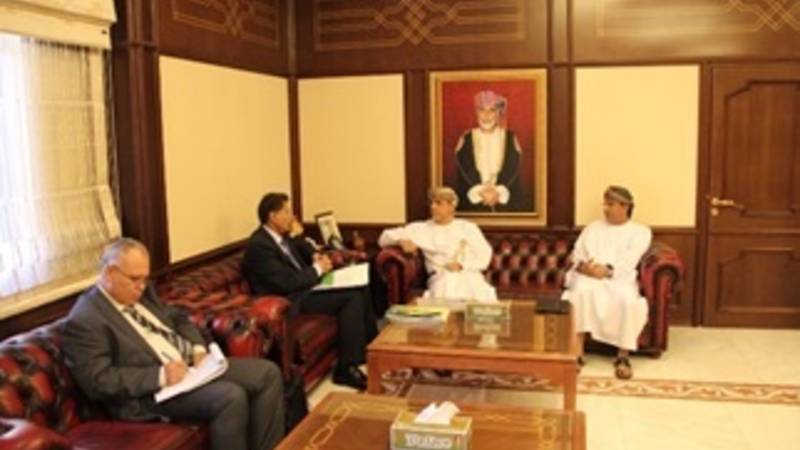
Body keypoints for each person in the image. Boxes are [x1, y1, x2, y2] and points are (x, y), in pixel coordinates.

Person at [62, 238, 285, 450]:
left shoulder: (141, 293)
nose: (141, 287)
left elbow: (177, 317)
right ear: (110, 273)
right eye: (135, 279)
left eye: (145, 279)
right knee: (230, 396)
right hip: (152, 393)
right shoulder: (86, 319)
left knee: (267, 373)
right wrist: (160, 375)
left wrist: (197, 348)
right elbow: (98, 381)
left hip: (190, 367)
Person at [241, 193, 377, 390]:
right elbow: (286, 283)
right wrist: (318, 269)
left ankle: (372, 350)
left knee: (360, 286)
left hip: (306, 289)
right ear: (273, 216)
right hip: (289, 302)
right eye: (287, 211)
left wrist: (314, 256)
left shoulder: (283, 238)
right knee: (351, 297)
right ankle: (345, 368)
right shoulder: (260, 246)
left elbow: (305, 250)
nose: (292, 216)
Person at [561, 186, 652, 379]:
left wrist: (607, 271)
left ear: (625, 206)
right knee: (579, 293)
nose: (606, 209)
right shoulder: (593, 228)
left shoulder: (640, 231)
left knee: (627, 299)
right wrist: (584, 267)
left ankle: (623, 357)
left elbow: (630, 259)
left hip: (619, 278)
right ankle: (576, 355)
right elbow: (577, 253)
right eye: (605, 204)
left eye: (610, 204)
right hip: (589, 276)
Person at [378, 186, 496, 301]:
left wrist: (462, 265)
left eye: (438, 203)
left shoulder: (468, 228)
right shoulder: (421, 229)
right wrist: (401, 241)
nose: (433, 207)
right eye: (432, 203)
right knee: (446, 293)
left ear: (451, 206)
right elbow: (384, 237)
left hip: (469, 275)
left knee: (479, 298)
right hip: (441, 277)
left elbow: (485, 254)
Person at [454, 90, 531, 212]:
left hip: (505, 203)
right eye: (482, 110)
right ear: (476, 113)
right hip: (472, 203)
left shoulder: (510, 137)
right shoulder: (467, 138)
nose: (486, 115)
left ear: (498, 113)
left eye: (492, 110)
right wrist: (480, 191)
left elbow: (513, 167)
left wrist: (498, 192)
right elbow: (464, 168)